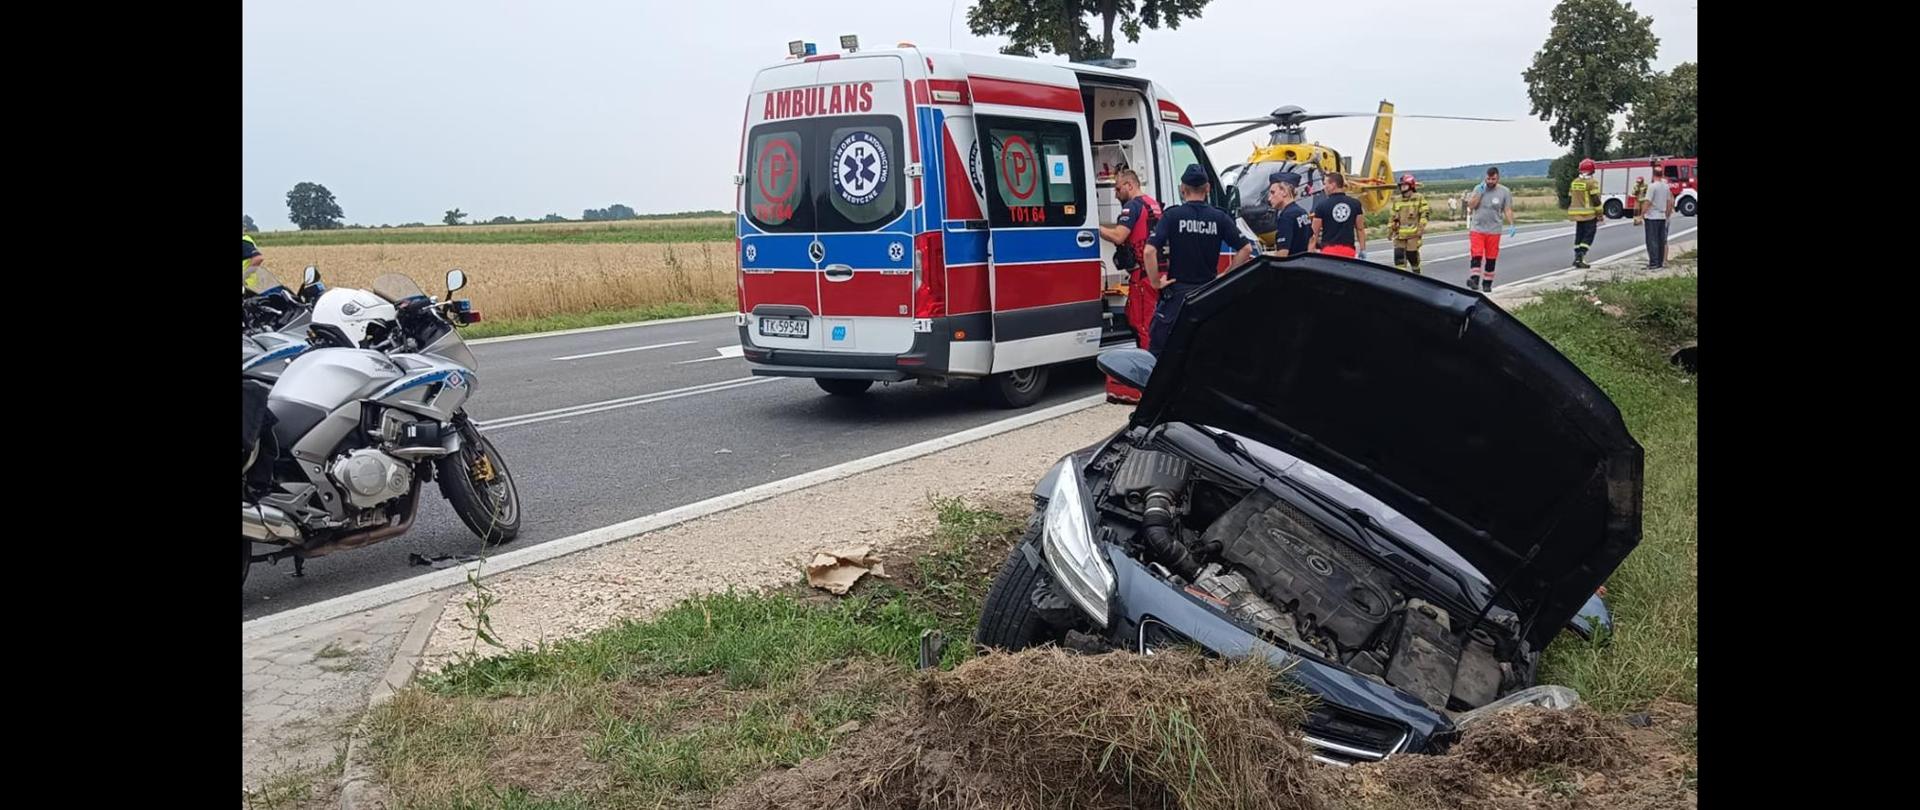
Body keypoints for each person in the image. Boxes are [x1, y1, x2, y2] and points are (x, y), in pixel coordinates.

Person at [1141, 164, 1255, 355]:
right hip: (1207, 294)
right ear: (1208, 189)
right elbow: (1246, 248)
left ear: (1182, 189)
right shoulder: (1219, 217)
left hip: (1178, 296)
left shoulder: (1172, 216)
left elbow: (1148, 251)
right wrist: (1226, 275)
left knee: (1162, 354)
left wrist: (1155, 282)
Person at [1100, 168, 1164, 404]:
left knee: (1142, 325)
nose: (1116, 194)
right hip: (1155, 274)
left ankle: (1147, 381)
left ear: (1129, 185)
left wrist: (1092, 227)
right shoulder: (1153, 204)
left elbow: (1119, 236)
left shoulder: (1133, 207)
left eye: (1117, 188)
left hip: (1143, 275)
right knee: (1146, 321)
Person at [1466, 166, 1517, 291]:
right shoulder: (1478, 188)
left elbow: (1507, 209)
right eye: (1488, 179)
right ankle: (1474, 280)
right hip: (1477, 228)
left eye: (1493, 179)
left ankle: (1487, 283)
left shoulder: (1504, 191)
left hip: (1494, 229)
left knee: (1491, 257)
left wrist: (1511, 224)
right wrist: (1479, 193)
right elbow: (1471, 206)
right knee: (1476, 254)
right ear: (1485, 178)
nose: (1490, 182)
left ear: (1498, 178)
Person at [1308, 172, 1367, 259]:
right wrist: (1363, 249)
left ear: (1333, 185)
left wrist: (1310, 252)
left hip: (1328, 251)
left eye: (1325, 184)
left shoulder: (1321, 206)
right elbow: (1360, 229)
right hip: (1348, 251)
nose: (1324, 187)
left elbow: (1314, 233)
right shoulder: (1355, 204)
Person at [1388, 174, 1431, 274]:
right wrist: (1390, 230)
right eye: (1401, 185)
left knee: (1412, 255)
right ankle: (1400, 277)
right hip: (1399, 235)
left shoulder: (1419, 198)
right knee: (1398, 256)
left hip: (1413, 234)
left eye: (1405, 185)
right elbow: (1392, 216)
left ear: (1411, 186)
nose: (1402, 187)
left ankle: (1417, 274)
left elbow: (1425, 213)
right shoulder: (1397, 200)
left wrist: (1421, 227)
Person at [1637, 158, 1675, 268]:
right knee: (1660, 240)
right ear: (1661, 174)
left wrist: (1642, 214)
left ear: (1653, 175)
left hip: (1652, 217)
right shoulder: (1666, 187)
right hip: (1662, 216)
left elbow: (1647, 201)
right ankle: (1659, 262)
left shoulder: (1652, 186)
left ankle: (1653, 263)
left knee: (1651, 240)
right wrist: (1667, 214)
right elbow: (1669, 202)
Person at [1266, 171, 1312, 257]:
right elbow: (1311, 239)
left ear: (1284, 192)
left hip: (1290, 267)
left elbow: (1282, 253)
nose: (1269, 198)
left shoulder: (1286, 216)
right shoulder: (1302, 212)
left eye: (1273, 192)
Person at [1567, 158, 1600, 268]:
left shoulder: (1575, 182)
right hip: (1589, 214)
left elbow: (1571, 196)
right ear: (1592, 170)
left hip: (1576, 214)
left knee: (1579, 236)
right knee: (1589, 235)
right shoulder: (1592, 182)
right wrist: (1599, 213)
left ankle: (1576, 256)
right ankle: (1581, 256)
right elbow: (1595, 199)